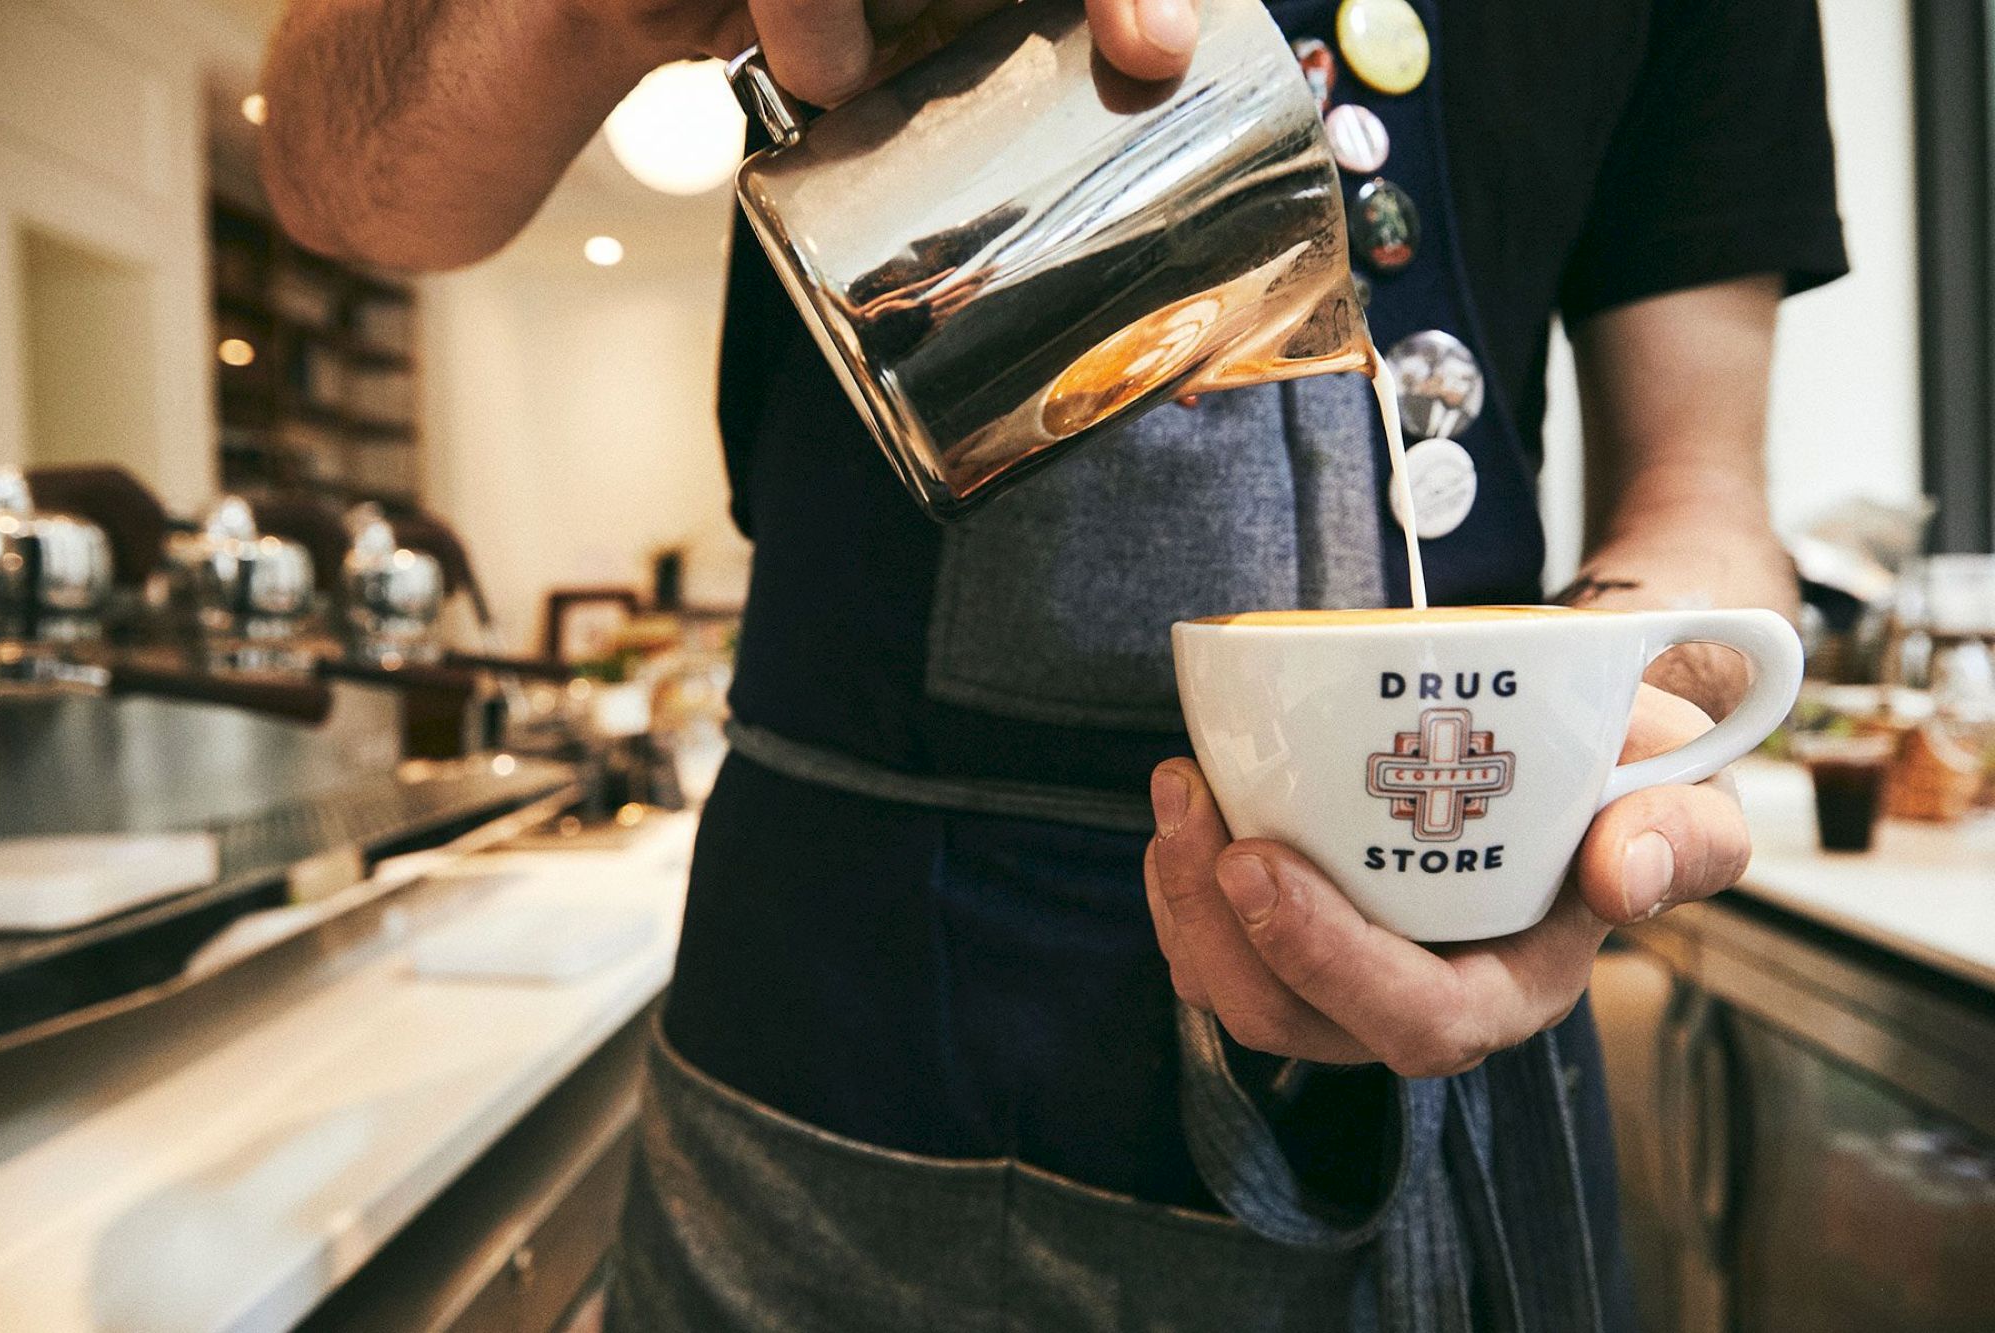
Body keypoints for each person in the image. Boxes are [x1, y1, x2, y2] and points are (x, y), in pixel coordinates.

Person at [260, 0, 1845, 1327]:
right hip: (843, 1040)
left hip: (1473, 965)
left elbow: (1701, 503)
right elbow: (337, 183)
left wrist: (1606, 739)